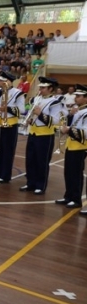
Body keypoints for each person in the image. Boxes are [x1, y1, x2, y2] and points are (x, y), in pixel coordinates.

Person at [19, 77, 67, 195]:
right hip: (33, 133)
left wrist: (40, 114)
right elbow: (32, 115)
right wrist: (29, 120)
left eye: (43, 88)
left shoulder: (55, 102)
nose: (40, 89)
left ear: (51, 89)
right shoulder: (36, 99)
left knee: (42, 162)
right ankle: (30, 183)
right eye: (40, 87)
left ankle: (40, 185)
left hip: (45, 135)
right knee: (30, 160)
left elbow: (55, 121)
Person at [0, 71, 25, 183]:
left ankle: (5, 175)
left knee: (7, 151)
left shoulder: (18, 93)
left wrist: (7, 109)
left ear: (8, 81)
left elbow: (22, 110)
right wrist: (1, 93)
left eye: (1, 80)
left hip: (9, 124)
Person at [56, 84, 87, 214]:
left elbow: (85, 132)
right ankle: (68, 196)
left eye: (79, 96)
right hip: (71, 145)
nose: (76, 98)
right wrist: (69, 116)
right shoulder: (78, 110)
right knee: (68, 172)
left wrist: (69, 130)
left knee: (75, 173)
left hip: (80, 146)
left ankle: (76, 199)